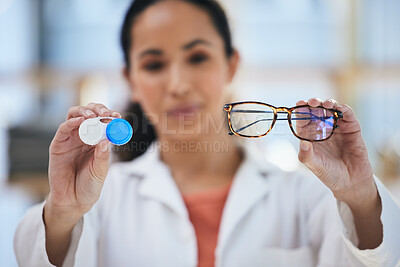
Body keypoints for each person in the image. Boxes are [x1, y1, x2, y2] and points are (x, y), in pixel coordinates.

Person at [14, 0, 400, 266]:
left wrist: (360, 195)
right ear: (130, 79)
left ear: (231, 66)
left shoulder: (305, 196)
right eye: (153, 64)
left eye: (198, 57)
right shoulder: (99, 203)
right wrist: (63, 211)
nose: (178, 84)